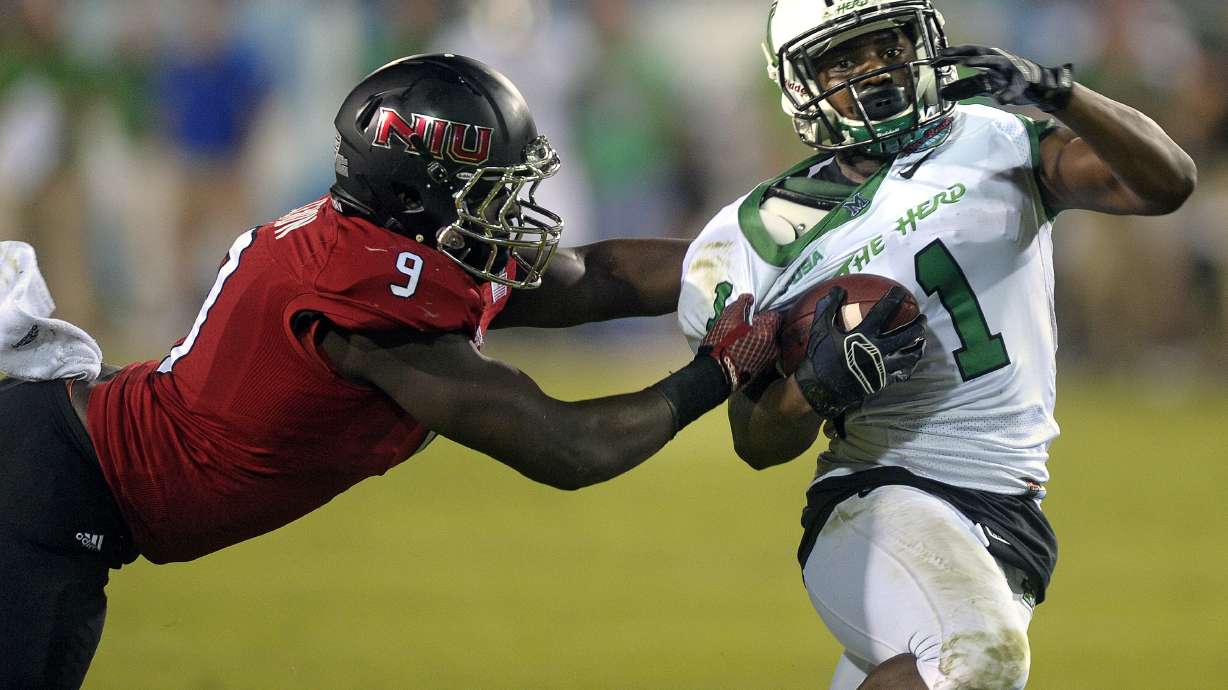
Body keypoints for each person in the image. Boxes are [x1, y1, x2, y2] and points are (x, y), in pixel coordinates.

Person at [0, 54, 782, 689]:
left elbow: (596, 276)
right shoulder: (362, 297)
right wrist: (717, 371)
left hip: (57, 463)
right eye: (491, 191)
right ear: (415, 188)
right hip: (49, 495)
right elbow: (570, 448)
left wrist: (757, 264)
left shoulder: (387, 245)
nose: (511, 214)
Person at [676, 1, 1196, 688]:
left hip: (1010, 504)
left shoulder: (993, 138)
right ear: (801, 83)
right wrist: (817, 385)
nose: (876, 71)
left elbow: (1167, 182)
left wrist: (1060, 93)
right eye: (845, 58)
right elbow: (756, 441)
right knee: (982, 657)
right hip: (880, 497)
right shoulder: (758, 234)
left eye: (886, 45)